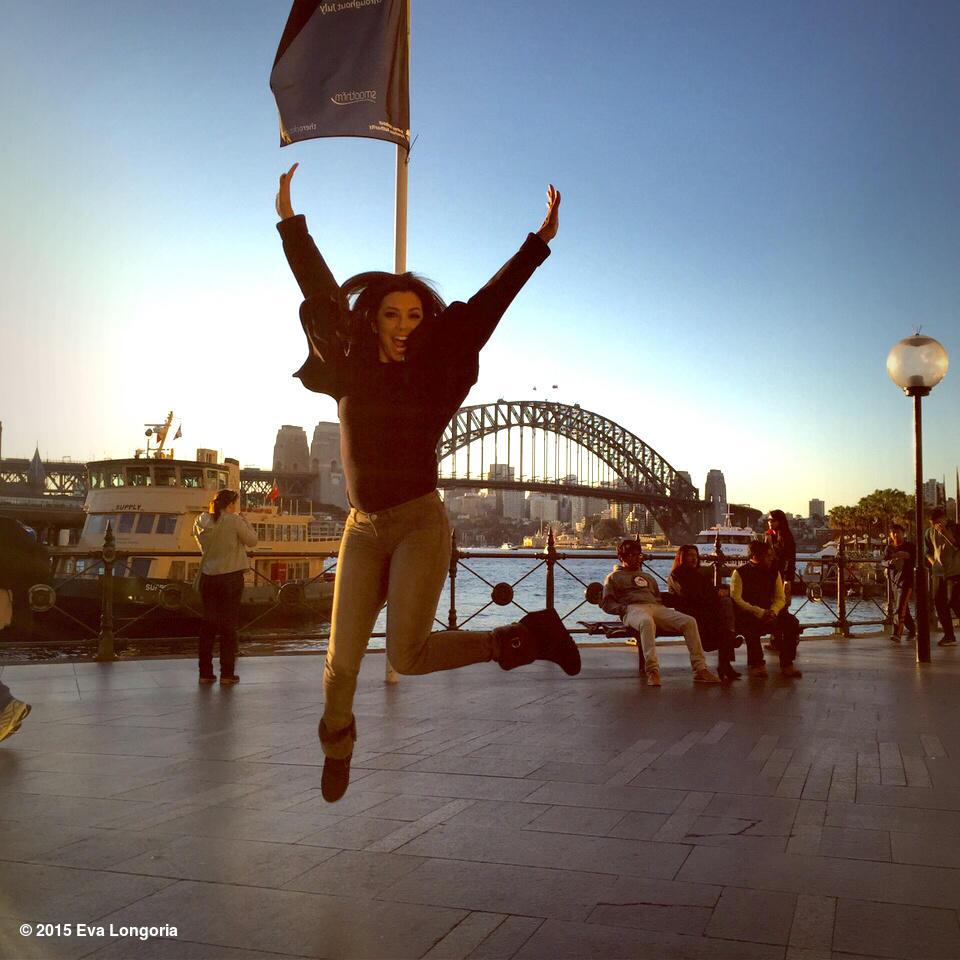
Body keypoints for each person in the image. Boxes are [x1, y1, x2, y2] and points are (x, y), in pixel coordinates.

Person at [275, 163, 580, 803]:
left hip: (417, 522)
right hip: (362, 531)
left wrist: (539, 241)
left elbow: (491, 304)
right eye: (394, 313)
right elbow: (322, 291)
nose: (406, 323)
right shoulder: (351, 366)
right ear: (375, 317)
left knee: (406, 657)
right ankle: (338, 741)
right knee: (338, 670)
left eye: (416, 313)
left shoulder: (436, 376)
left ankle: (523, 639)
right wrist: (289, 222)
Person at [600, 539, 720, 687]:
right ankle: (652, 671)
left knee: (689, 621)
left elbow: (657, 597)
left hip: (656, 607)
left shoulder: (648, 577)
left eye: (638, 555)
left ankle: (700, 669)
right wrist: (623, 609)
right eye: (632, 555)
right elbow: (606, 603)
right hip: (632, 609)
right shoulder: (613, 577)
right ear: (622, 557)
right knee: (646, 622)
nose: (637, 558)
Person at [193, 489, 258, 685]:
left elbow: (202, 546)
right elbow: (252, 541)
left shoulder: (200, 520)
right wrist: (245, 521)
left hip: (208, 577)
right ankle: (227, 674)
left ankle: (205, 673)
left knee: (208, 626)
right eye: (235, 504)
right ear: (230, 505)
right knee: (229, 627)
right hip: (230, 578)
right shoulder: (233, 520)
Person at [730, 539, 802, 678]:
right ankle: (757, 664)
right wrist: (759, 612)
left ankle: (787, 663)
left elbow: (780, 598)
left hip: (770, 612)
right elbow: (737, 599)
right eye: (768, 556)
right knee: (751, 626)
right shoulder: (739, 573)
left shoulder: (774, 572)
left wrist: (773, 611)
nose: (771, 559)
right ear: (756, 556)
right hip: (748, 613)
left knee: (792, 623)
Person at [667, 544, 739, 681]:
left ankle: (728, 646)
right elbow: (690, 595)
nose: (694, 559)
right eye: (690, 556)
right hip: (690, 612)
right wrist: (714, 594)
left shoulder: (698, 574)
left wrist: (718, 592)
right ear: (682, 558)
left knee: (727, 606)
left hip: (704, 609)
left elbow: (707, 592)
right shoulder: (677, 575)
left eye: (695, 555)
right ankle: (727, 650)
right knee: (725, 613)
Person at [924, 508, 960, 646]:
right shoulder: (929, 532)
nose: (936, 525)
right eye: (933, 523)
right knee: (939, 603)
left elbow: (957, 545)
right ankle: (949, 635)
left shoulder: (955, 528)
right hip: (939, 572)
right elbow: (927, 551)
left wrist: (945, 533)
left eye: (938, 522)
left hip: (956, 571)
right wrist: (934, 563)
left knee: (954, 602)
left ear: (945, 518)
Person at [884, 523, 916, 642]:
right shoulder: (889, 548)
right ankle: (912, 629)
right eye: (893, 533)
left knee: (900, 607)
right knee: (903, 608)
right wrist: (891, 562)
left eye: (898, 532)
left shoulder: (910, 546)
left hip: (906, 581)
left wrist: (907, 556)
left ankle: (897, 633)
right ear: (890, 535)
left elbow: (917, 559)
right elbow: (883, 561)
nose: (896, 535)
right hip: (894, 581)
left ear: (903, 533)